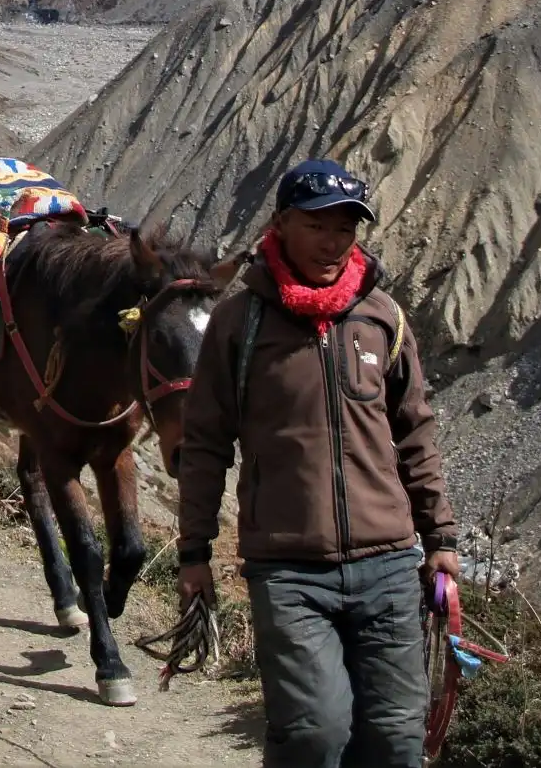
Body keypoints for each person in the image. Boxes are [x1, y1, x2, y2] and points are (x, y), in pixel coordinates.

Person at [175, 158, 458, 767]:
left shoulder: (384, 317)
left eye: (346, 227)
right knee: (313, 734)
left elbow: (415, 433)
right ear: (280, 225)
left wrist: (440, 536)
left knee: (395, 739)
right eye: (317, 224)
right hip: (288, 571)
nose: (333, 241)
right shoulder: (240, 322)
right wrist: (193, 552)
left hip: (387, 564)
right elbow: (203, 443)